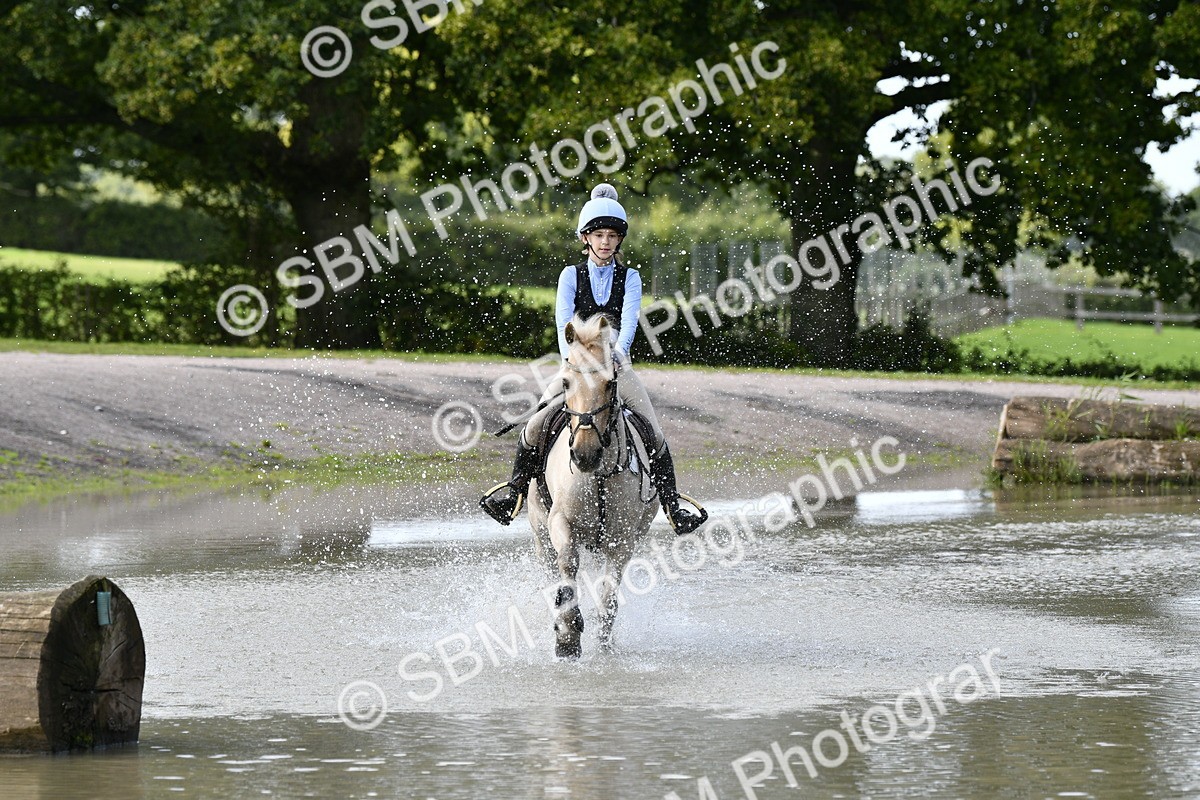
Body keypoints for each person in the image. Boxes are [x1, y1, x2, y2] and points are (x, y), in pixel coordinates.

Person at [480, 183, 707, 534]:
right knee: (534, 426)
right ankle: (513, 493)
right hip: (575, 368)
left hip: (615, 368)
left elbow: (629, 321)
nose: (605, 242)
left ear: (619, 241)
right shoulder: (570, 275)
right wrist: (572, 364)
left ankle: (672, 504)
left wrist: (616, 357)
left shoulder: (630, 278)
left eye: (612, 236)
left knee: (653, 430)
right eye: (598, 235)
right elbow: (562, 323)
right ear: (586, 238)